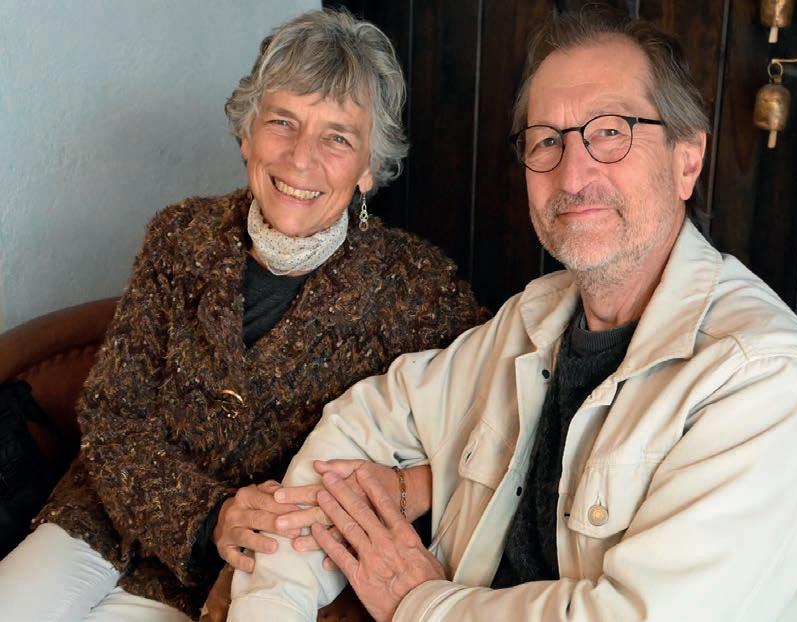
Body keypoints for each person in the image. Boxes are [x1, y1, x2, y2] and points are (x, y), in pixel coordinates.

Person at [227, 8, 797, 622]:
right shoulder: (535, 317)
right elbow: (361, 425)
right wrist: (271, 607)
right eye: (547, 140)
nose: (573, 173)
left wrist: (418, 602)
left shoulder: (766, 377)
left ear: (686, 160)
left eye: (610, 131)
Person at [0, 9, 486, 622]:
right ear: (247, 135)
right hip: (106, 515)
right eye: (282, 122)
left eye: (337, 137)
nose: (301, 157)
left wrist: (411, 487)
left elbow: (498, 426)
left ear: (368, 167)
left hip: (237, 574)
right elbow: (111, 411)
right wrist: (207, 515)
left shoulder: (416, 287)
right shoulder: (179, 237)